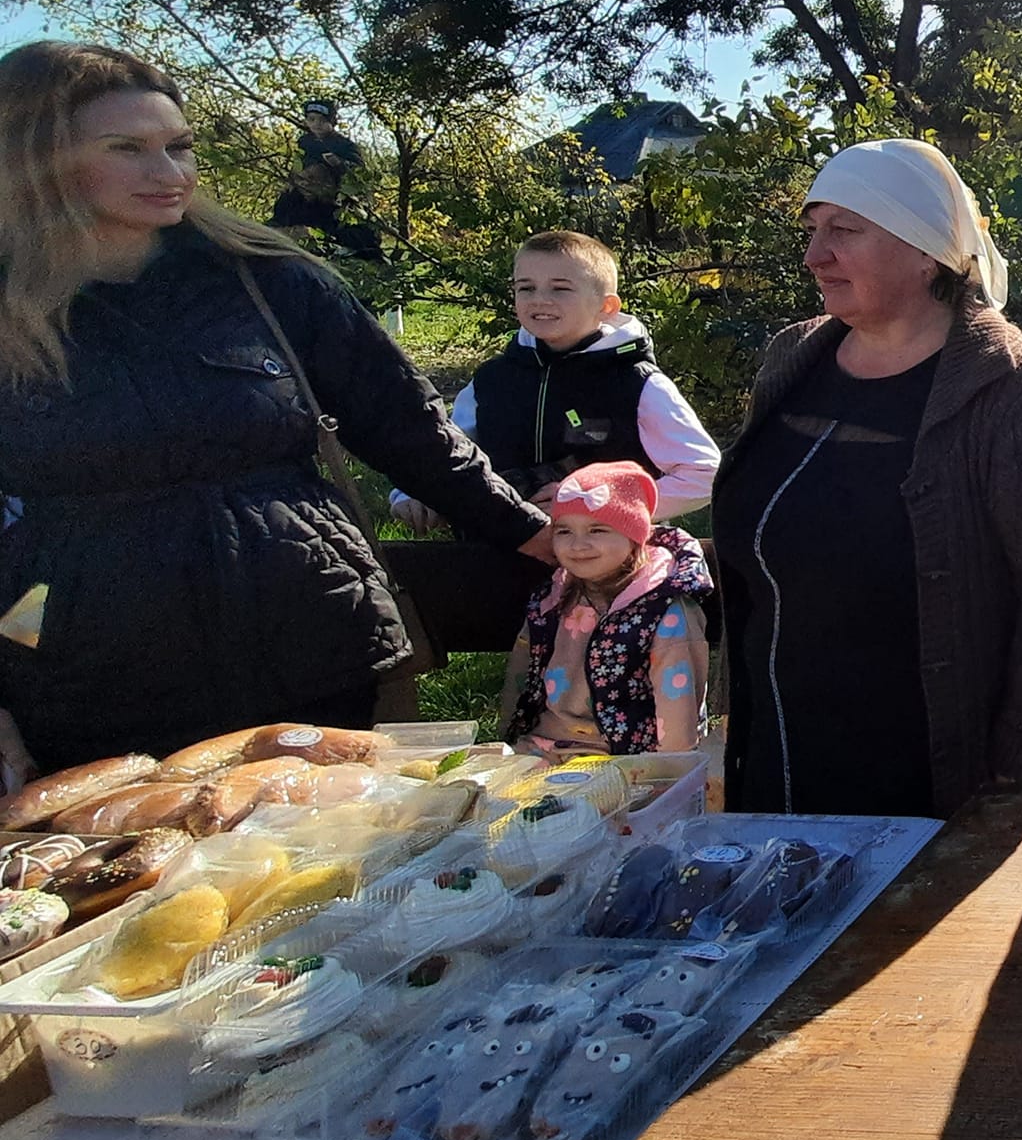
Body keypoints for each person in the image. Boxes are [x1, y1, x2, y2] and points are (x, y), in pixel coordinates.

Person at [0, 41, 553, 775]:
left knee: (337, 868)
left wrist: (533, 532)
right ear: (38, 160)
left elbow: (408, 428)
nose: (170, 173)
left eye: (179, 145)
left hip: (310, 640)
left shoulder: (271, 282)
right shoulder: (12, 314)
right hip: (94, 670)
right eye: (128, 148)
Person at [712, 139, 1022, 818]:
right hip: (778, 767)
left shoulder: (1017, 394)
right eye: (813, 229)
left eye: (845, 230)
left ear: (925, 249)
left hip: (931, 792)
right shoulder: (793, 359)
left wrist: (1012, 778)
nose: (814, 255)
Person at [389, 230, 719, 528]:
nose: (540, 299)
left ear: (606, 306)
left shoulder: (638, 385)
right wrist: (413, 493)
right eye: (526, 287)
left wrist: (601, 504)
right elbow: (448, 450)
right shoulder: (492, 381)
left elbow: (704, 474)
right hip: (496, 551)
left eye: (560, 289)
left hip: (605, 569)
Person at [502, 462, 714, 758]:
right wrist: (507, 739)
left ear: (634, 535)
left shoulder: (663, 610)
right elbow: (522, 675)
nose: (578, 545)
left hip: (628, 759)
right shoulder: (552, 598)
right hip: (543, 748)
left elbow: (678, 716)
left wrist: (667, 776)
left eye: (596, 530)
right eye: (564, 531)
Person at [269, 97, 379, 256]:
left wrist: (338, 164)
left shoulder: (345, 146)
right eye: (311, 119)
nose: (316, 124)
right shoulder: (304, 142)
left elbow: (358, 175)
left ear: (332, 121)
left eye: (322, 120)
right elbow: (296, 166)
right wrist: (296, 182)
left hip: (334, 200)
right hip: (305, 199)